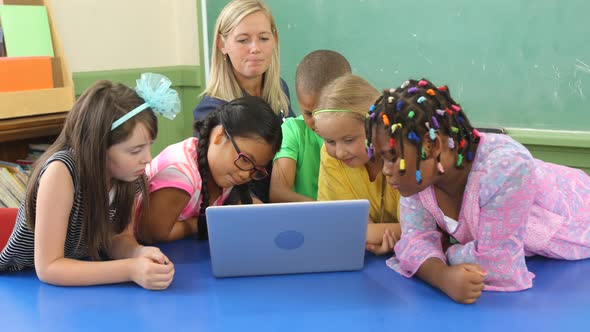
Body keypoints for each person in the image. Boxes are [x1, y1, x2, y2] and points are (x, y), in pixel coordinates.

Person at [366, 78, 590, 304]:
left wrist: (447, 247)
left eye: (392, 158)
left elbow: (496, 265)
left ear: (430, 146)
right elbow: (413, 242)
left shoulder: (506, 168)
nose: (386, 170)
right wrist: (443, 276)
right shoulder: (418, 178)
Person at [0, 73, 179, 290]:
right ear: (97, 147)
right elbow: (49, 267)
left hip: (81, 273)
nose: (148, 158)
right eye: (135, 150)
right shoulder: (61, 173)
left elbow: (116, 237)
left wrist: (136, 252)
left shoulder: (129, 174)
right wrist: (130, 269)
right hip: (21, 284)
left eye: (149, 146)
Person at [137, 96, 283, 243]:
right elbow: (153, 234)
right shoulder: (180, 173)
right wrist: (200, 224)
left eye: (256, 170)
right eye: (245, 160)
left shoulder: (223, 170)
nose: (246, 174)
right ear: (219, 135)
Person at [194, 0, 294, 203]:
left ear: (274, 39)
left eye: (264, 38)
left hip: (284, 203)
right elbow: (221, 186)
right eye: (243, 40)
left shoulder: (280, 91)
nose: (255, 48)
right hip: (250, 212)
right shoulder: (212, 109)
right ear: (222, 44)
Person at [313, 74, 401, 255]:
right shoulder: (331, 158)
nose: (339, 152)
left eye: (349, 139)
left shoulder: (404, 155)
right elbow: (345, 223)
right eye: (330, 141)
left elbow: (421, 231)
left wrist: (365, 233)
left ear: (377, 126)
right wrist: (370, 234)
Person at [270, 50, 351, 202]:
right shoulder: (293, 130)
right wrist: (327, 213)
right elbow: (278, 193)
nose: (317, 122)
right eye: (308, 113)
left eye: (323, 112)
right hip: (305, 222)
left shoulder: (358, 133)